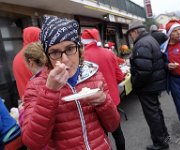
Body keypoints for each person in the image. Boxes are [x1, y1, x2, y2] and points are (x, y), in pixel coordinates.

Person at [21, 15, 120, 150]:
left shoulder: (94, 76)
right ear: (47, 57)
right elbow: (33, 143)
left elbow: (113, 125)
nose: (65, 60)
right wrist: (49, 93)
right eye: (55, 52)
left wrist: (104, 102)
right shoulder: (36, 86)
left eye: (69, 49)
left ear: (79, 49)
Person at [127, 20, 169, 150]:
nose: (130, 37)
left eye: (130, 34)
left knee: (152, 114)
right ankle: (164, 136)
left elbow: (144, 71)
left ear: (134, 32)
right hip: (154, 83)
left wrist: (135, 83)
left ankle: (160, 143)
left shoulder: (141, 44)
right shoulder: (149, 39)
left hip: (148, 86)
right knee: (156, 110)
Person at [81, 28, 126, 150]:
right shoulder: (109, 53)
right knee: (118, 132)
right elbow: (120, 76)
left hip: (93, 102)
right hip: (112, 99)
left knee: (101, 136)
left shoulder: (81, 57)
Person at [12, 27, 41, 99]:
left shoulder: (16, 57)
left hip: (26, 98)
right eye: (39, 37)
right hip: (39, 96)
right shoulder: (35, 54)